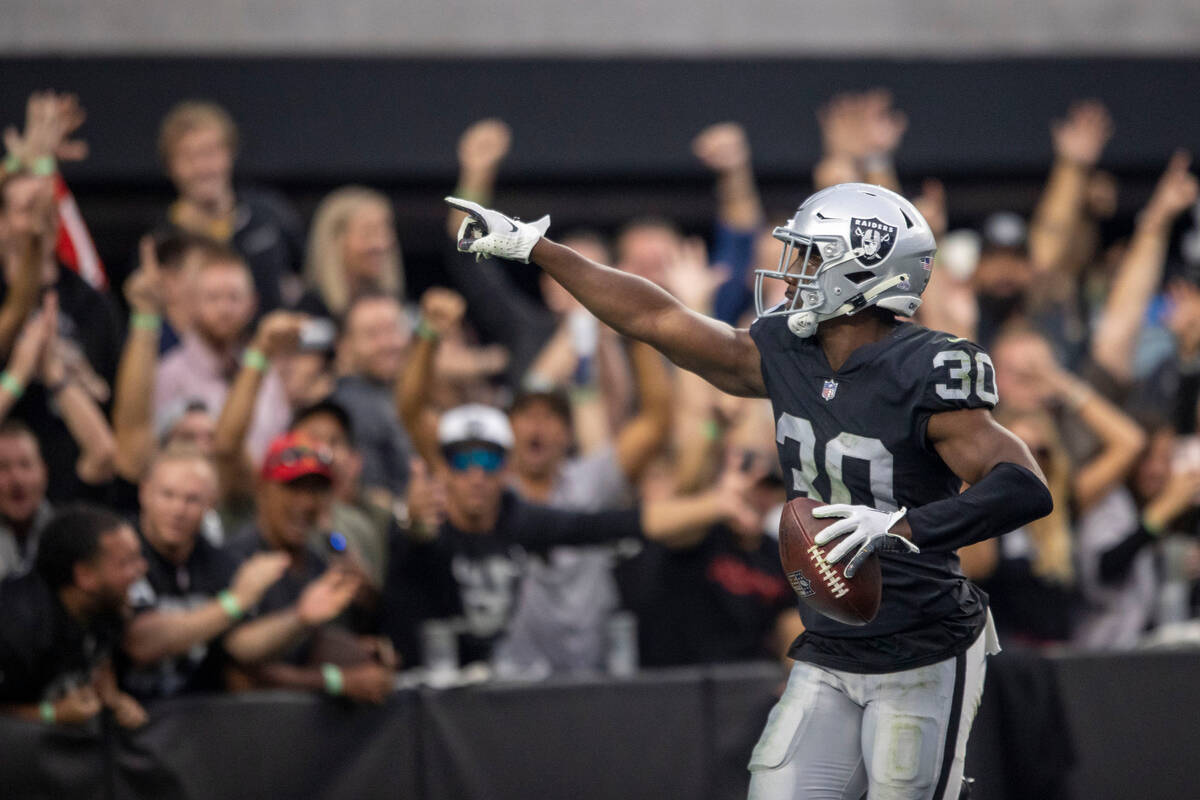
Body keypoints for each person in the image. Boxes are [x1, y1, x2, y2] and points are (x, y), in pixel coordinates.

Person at [446, 182, 1052, 800]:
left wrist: (899, 529)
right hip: (831, 642)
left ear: (865, 270)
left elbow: (1023, 486)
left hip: (925, 643)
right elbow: (656, 319)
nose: (794, 273)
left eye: (813, 256)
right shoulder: (787, 351)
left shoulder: (927, 368)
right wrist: (539, 249)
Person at [220, 432, 395, 704]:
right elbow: (237, 674)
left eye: (316, 490)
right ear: (262, 487)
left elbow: (309, 649)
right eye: (293, 487)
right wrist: (337, 681)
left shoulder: (317, 561)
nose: (306, 502)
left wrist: (360, 650)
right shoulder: (237, 558)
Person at [121, 450, 290, 701]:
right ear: (144, 492)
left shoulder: (221, 562)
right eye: (167, 495)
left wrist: (304, 616)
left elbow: (240, 647)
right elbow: (140, 642)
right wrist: (235, 602)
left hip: (197, 716)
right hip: (129, 713)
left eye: (192, 499)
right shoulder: (120, 550)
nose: (178, 510)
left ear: (211, 503)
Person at [0, 505, 147, 728]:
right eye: (126, 562)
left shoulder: (108, 606)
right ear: (85, 575)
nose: (142, 569)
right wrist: (49, 713)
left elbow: (102, 665)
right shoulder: (14, 629)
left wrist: (115, 700)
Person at [152, 100, 303, 313]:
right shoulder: (159, 240)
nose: (202, 168)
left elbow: (304, 277)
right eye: (188, 157)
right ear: (170, 167)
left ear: (230, 154)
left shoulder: (269, 215)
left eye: (210, 153)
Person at [154, 240, 290, 463]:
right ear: (192, 302)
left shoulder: (265, 371)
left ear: (252, 303)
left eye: (234, 297)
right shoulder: (169, 373)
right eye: (213, 297)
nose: (224, 309)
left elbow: (278, 439)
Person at [297, 186, 404, 321]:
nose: (381, 244)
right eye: (368, 233)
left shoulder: (392, 303)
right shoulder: (311, 313)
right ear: (336, 241)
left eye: (385, 231)